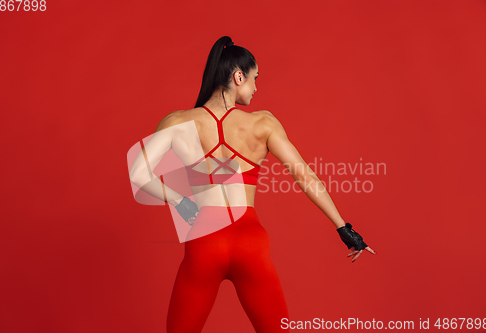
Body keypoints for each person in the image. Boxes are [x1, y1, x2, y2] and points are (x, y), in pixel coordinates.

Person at [129, 36, 375, 333]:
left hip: (204, 242)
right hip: (250, 241)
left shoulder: (177, 122)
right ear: (238, 76)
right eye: (254, 78)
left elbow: (138, 175)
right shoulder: (263, 123)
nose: (256, 87)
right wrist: (343, 228)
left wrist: (180, 201)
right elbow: (305, 176)